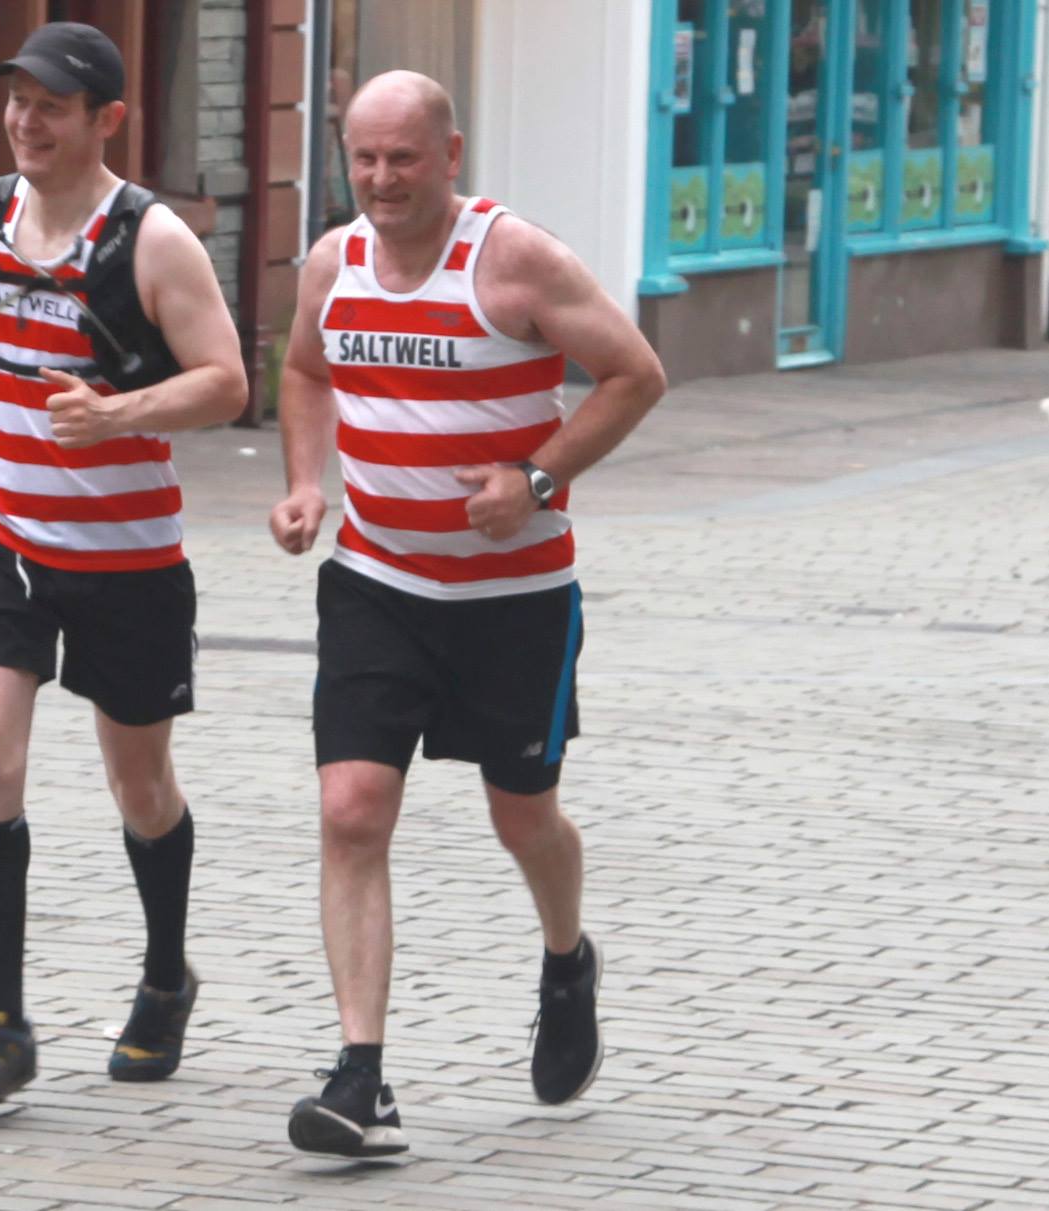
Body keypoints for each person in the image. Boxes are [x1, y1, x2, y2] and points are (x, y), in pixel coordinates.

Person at [268, 70, 667, 1156]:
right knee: (351, 808)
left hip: (513, 600)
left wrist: (533, 481)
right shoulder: (330, 261)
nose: (381, 179)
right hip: (377, 582)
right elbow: (301, 369)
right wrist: (307, 482)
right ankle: (360, 1075)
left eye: (403, 158)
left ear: (450, 155)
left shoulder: (515, 259)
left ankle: (564, 956)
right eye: (363, 157)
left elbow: (633, 374)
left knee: (521, 815)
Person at [0, 21, 248, 1105]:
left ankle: (163, 974)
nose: (25, 120)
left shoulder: (152, 243)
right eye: (17, 100)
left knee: (137, 781)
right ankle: (2, 1018)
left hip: (125, 558)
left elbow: (227, 381)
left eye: (50, 106)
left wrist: (118, 414)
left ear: (105, 119)